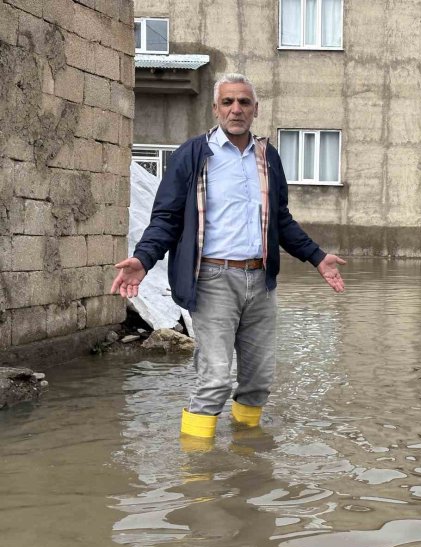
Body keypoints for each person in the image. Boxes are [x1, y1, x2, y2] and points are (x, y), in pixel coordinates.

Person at [110, 73, 346, 442]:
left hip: (261, 281)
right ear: (215, 108)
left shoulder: (269, 158)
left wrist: (317, 257)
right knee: (216, 378)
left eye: (244, 102)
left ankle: (246, 454)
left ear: (255, 110)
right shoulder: (192, 155)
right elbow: (167, 219)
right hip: (212, 280)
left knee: (258, 381)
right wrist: (143, 260)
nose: (236, 109)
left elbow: (280, 219)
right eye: (228, 102)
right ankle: (196, 474)